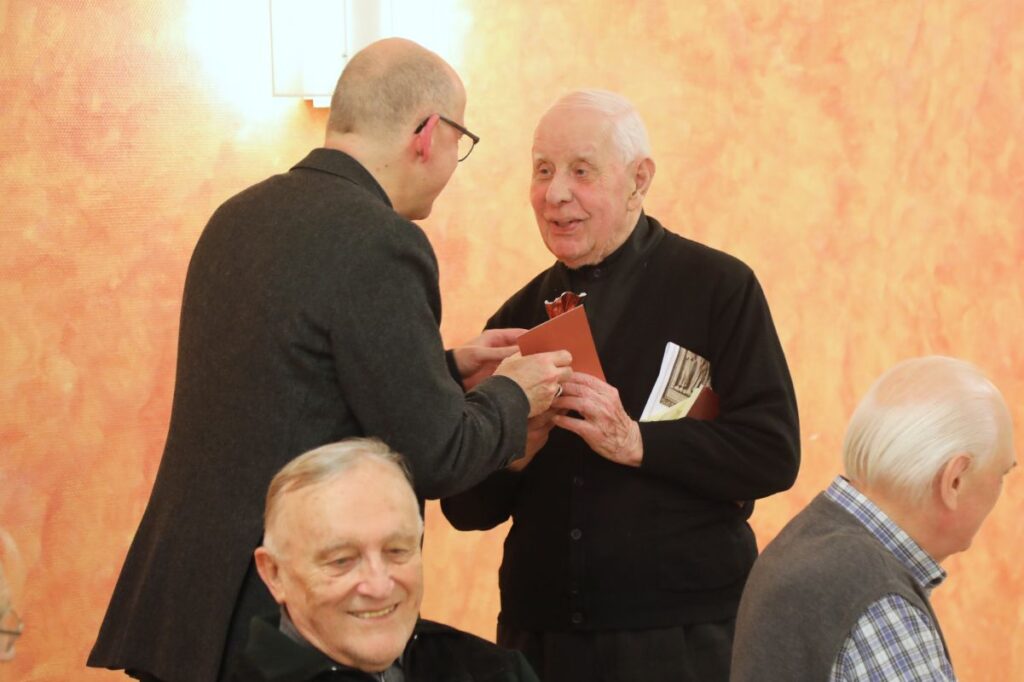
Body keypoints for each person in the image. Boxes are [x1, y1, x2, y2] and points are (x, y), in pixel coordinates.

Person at [89, 38, 570, 682]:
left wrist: (449, 368)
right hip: (280, 612)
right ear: (428, 134)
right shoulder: (382, 240)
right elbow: (437, 454)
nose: (456, 161)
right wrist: (515, 393)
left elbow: (291, 376)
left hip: (185, 599)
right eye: (462, 140)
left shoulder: (238, 214)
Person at [441, 90, 800, 681]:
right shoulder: (518, 317)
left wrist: (638, 442)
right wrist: (513, 449)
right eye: (542, 170)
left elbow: (773, 453)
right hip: (542, 640)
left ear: (639, 180)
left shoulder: (718, 288)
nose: (555, 194)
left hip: (684, 638)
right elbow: (465, 509)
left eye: (581, 171)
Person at [732, 356, 1016, 681]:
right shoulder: (880, 605)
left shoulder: (806, 539)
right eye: (1001, 473)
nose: (999, 488)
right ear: (955, 480)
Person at [233, 438, 540, 681]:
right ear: (273, 573)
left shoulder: (495, 671)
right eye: (342, 560)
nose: (379, 587)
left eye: (397, 551)